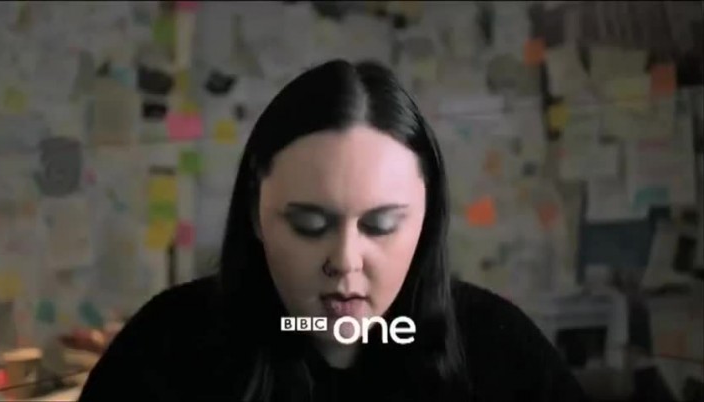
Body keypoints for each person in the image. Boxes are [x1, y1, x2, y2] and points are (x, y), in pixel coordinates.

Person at [77, 59, 589, 402]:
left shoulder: (500, 351)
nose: (345, 260)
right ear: (256, 213)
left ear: (426, 219)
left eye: (381, 226)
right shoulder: (166, 349)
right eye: (309, 224)